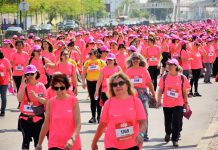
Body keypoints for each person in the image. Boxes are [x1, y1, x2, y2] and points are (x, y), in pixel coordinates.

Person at [91, 72, 146, 150]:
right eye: (115, 85)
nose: (118, 86)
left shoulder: (135, 101)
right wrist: (94, 142)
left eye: (121, 83)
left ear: (127, 85)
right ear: (112, 88)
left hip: (133, 144)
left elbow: (143, 122)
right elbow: (102, 125)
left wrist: (141, 135)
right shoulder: (108, 103)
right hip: (112, 144)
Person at [36, 73, 81, 150]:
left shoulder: (73, 101)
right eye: (56, 88)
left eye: (62, 88)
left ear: (66, 87)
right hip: (54, 144)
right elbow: (46, 124)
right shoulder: (50, 102)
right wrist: (39, 143)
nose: (59, 90)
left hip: (72, 144)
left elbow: (78, 124)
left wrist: (72, 139)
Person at [156, 59, 190, 147]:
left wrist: (186, 103)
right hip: (167, 103)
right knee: (167, 122)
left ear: (176, 66)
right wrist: (159, 101)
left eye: (171, 64)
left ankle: (175, 139)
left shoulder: (182, 77)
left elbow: (185, 91)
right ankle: (168, 133)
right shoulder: (164, 77)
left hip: (178, 103)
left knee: (176, 121)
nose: (169, 66)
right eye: (168, 64)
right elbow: (160, 90)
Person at [126, 52, 156, 141]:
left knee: (144, 114)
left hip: (143, 93)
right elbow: (125, 85)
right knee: (132, 115)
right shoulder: (128, 71)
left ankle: (144, 134)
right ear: (131, 60)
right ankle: (134, 133)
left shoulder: (144, 70)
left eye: (137, 58)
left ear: (140, 60)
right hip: (132, 94)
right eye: (134, 58)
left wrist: (153, 94)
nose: (135, 60)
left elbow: (149, 83)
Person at [17, 65, 47, 149]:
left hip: (38, 118)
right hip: (25, 118)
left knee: (37, 142)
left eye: (31, 74)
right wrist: (23, 85)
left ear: (36, 73)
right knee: (26, 139)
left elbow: (46, 101)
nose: (29, 76)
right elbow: (19, 99)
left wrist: (36, 97)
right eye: (27, 74)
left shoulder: (41, 86)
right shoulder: (23, 85)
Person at [82, 49, 106, 123]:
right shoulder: (87, 62)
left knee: (99, 100)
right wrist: (83, 82)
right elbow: (84, 73)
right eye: (89, 54)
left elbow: (105, 72)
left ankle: (99, 116)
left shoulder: (101, 62)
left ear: (95, 54)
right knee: (92, 100)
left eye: (91, 54)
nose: (89, 55)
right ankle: (93, 117)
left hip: (98, 83)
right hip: (90, 82)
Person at [0, 50, 13, 116]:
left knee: (3, 97)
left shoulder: (5, 60)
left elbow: (9, 69)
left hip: (4, 81)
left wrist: (10, 78)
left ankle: (2, 111)